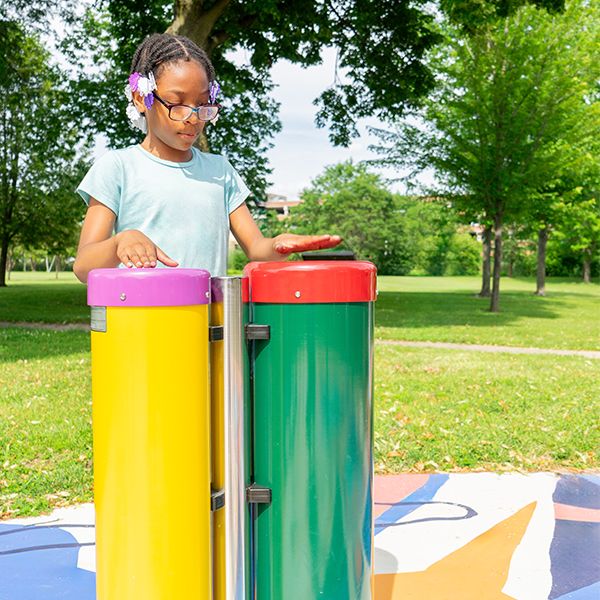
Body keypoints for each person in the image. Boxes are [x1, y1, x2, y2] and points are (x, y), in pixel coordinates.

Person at [73, 33, 341, 282]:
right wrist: (120, 242)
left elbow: (255, 248)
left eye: (202, 105)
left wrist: (276, 244)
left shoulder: (220, 171)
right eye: (177, 103)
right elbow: (84, 265)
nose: (192, 117)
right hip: (142, 323)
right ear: (141, 98)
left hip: (209, 323)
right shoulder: (118, 168)